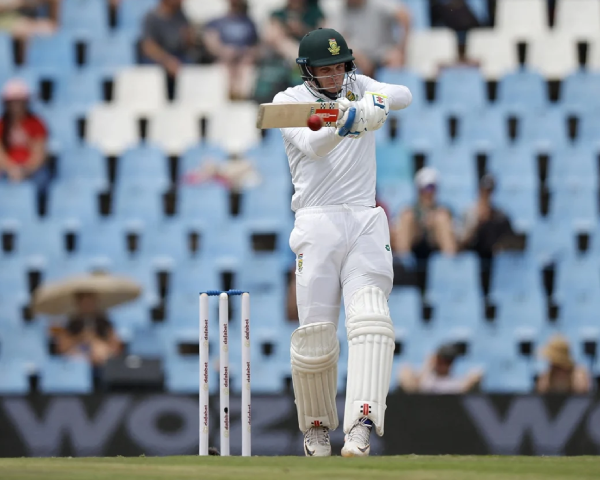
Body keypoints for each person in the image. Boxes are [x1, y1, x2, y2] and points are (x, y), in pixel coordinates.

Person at [274, 27, 412, 457]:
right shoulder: (287, 103)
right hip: (317, 222)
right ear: (307, 71)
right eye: (325, 70)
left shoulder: (360, 86)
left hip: (365, 219)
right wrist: (350, 119)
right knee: (315, 335)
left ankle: (360, 427)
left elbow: (404, 93)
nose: (334, 77)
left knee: (371, 322)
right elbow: (313, 145)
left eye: (340, 67)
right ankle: (316, 429)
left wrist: (372, 102)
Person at [391, 167, 457, 262]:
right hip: (414, 241)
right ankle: (402, 267)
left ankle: (449, 267)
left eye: (431, 188)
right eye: (425, 188)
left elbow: (458, 236)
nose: (428, 192)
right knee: (407, 217)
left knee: (441, 219)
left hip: (435, 242)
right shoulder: (408, 210)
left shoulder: (445, 210)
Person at [202, 0, 259, 100]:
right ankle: (230, 96)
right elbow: (209, 41)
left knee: (246, 68)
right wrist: (223, 51)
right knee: (225, 66)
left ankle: (240, 97)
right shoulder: (216, 22)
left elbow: (256, 46)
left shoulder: (249, 23)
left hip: (243, 61)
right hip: (223, 59)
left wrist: (246, 54)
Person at [339, 0, 411, 78]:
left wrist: (401, 50)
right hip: (358, 56)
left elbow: (404, 16)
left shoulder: (379, 3)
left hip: (383, 54)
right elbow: (338, 38)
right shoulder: (339, 8)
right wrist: (356, 55)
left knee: (394, 63)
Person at [0, 78, 49, 191]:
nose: (16, 105)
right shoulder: (2, 124)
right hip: (7, 169)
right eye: (13, 101)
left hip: (31, 170)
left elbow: (39, 153)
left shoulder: (36, 123)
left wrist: (25, 170)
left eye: (19, 101)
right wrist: (11, 168)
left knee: (42, 180)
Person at [51, 291, 123, 367]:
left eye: (90, 302)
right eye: (84, 302)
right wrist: (81, 337)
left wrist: (95, 340)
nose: (87, 306)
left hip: (101, 363)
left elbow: (116, 347)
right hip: (77, 363)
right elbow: (62, 347)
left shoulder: (104, 322)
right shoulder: (71, 323)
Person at [140, 0, 196, 97]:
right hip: (158, 61)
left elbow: (188, 45)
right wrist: (167, 61)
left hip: (179, 59)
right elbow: (148, 47)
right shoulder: (151, 17)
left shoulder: (181, 16)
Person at [459, 174, 517, 260]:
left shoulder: (500, 215)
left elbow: (511, 240)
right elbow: (461, 242)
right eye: (484, 191)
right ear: (479, 191)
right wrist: (477, 222)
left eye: (490, 191)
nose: (487, 195)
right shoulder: (468, 212)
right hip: (472, 255)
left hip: (492, 257)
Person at [398, 343, 483, 394]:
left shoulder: (457, 383)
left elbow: (464, 388)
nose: (444, 364)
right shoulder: (426, 379)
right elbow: (414, 388)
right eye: (441, 360)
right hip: (423, 410)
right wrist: (428, 366)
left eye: (448, 361)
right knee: (405, 370)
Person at [264, 0, 325, 65]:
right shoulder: (277, 14)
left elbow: (322, 36)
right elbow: (271, 37)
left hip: (309, 48)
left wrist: (302, 29)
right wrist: (286, 29)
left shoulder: (315, 13)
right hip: (283, 52)